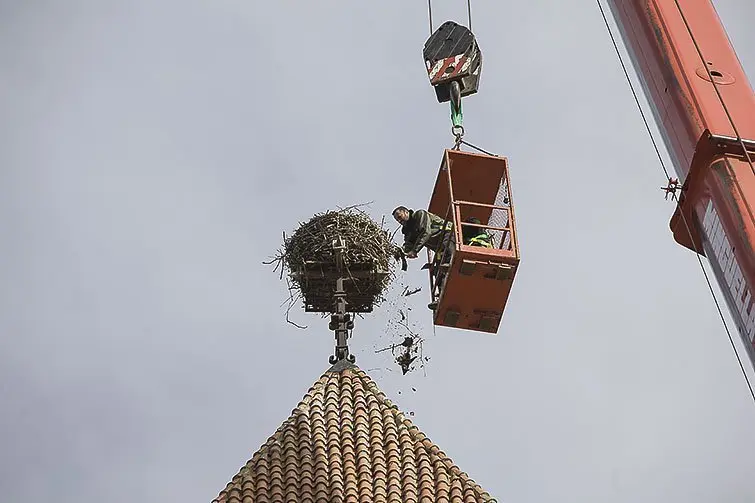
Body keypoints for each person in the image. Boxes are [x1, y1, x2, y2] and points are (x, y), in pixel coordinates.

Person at [393, 205, 455, 310]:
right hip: (439, 248)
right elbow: (408, 244)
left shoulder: (420, 215)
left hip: (447, 234)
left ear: (406, 212)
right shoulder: (407, 230)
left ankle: (451, 265)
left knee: (448, 252)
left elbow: (426, 232)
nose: (399, 221)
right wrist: (400, 252)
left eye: (400, 217)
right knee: (438, 271)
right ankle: (441, 299)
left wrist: (414, 251)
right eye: (397, 219)